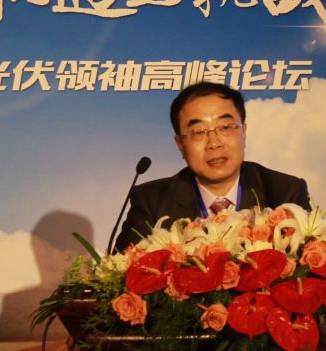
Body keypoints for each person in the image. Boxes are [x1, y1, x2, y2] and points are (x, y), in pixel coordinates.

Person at [114, 81, 311, 252]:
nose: (214, 143)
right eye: (198, 132)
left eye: (225, 127)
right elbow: (123, 271)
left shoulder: (285, 192)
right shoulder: (151, 201)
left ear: (244, 132)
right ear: (180, 144)